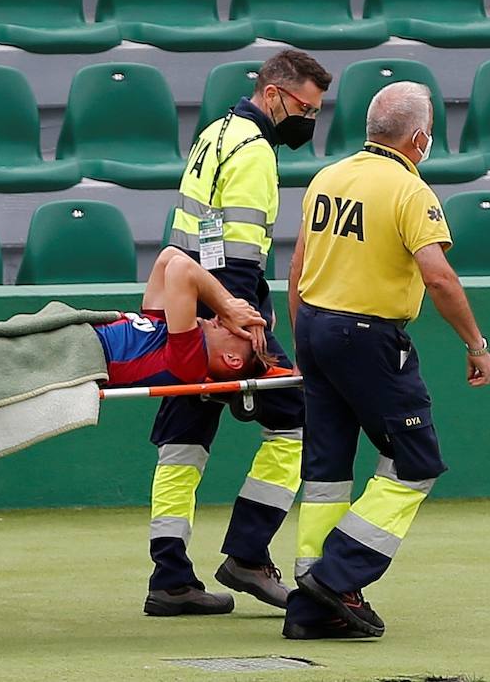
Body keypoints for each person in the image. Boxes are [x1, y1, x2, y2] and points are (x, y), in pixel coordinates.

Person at [282, 82, 490, 641]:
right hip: (370, 337)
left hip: (317, 328)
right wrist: (475, 343)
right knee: (415, 461)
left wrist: (306, 337)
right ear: (420, 138)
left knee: (327, 470)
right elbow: (438, 276)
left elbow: (297, 266)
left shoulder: (328, 177)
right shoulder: (409, 190)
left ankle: (311, 607)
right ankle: (337, 577)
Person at [149, 50, 332, 617]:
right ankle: (248, 553)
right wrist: (245, 319)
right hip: (229, 312)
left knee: (183, 442)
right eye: (305, 107)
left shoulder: (214, 134)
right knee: (296, 422)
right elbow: (242, 254)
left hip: (187, 307)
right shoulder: (254, 152)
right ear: (274, 94)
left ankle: (170, 577)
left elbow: (196, 236)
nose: (309, 120)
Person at [95, 247, 272, 388]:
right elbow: (168, 257)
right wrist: (233, 307)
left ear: (232, 359)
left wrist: (227, 307)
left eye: (237, 328)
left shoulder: (189, 361)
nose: (221, 318)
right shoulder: (167, 337)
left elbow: (180, 268)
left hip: (84, 347)